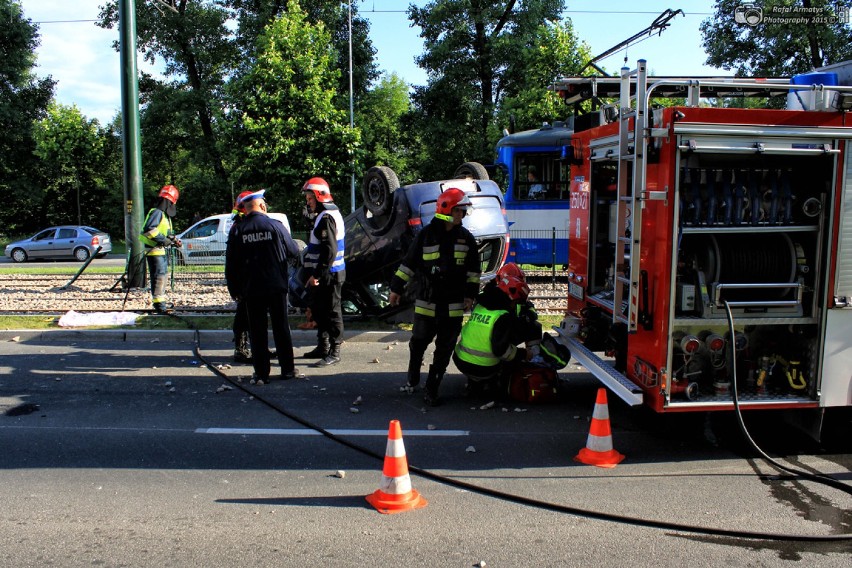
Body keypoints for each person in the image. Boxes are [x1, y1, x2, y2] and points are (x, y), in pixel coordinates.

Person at [389, 187, 481, 406]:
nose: (462, 215)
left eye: (463, 211)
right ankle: (413, 372)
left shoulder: (466, 239)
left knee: (444, 349)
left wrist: (470, 296)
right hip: (427, 302)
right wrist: (396, 288)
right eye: (458, 210)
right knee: (419, 341)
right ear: (446, 209)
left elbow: (473, 273)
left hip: (453, 304)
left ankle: (432, 388)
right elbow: (408, 264)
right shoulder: (426, 235)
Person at [225, 189, 304, 384]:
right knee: (281, 328)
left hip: (251, 289)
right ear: (262, 206)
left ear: (245, 208)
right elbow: (293, 250)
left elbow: (231, 263)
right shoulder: (275, 225)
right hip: (277, 286)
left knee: (257, 331)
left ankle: (261, 373)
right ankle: (287, 369)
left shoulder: (238, 229)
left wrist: (234, 289)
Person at [452, 272, 538, 398]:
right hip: (483, 367)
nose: (515, 306)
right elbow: (501, 350)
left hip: (460, 360)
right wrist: (524, 354)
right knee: (510, 357)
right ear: (512, 299)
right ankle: (495, 386)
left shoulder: (481, 304)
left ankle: (474, 383)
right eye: (516, 302)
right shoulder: (503, 316)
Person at [301, 177, 346, 367]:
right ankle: (323, 345)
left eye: (310, 199)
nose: (307, 202)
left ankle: (334, 351)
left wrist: (317, 275)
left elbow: (329, 250)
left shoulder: (326, 217)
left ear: (319, 197)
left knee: (332, 312)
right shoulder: (324, 215)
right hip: (326, 272)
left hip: (330, 274)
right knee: (320, 310)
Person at [139, 184, 182, 314]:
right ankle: (159, 305)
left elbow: (165, 232)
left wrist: (174, 240)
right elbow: (149, 230)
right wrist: (165, 240)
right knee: (159, 277)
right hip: (154, 250)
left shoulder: (162, 214)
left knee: (162, 276)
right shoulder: (157, 212)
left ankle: (161, 302)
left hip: (159, 250)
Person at [230, 191, 254, 363]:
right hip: (245, 280)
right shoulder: (239, 228)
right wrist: (234, 286)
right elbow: (232, 262)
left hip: (247, 279)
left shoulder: (239, 227)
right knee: (244, 315)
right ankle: (240, 348)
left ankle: (252, 347)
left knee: (250, 315)